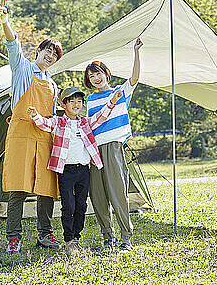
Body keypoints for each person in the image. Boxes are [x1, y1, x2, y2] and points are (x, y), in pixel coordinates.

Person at [0, 2, 63, 254]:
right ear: (39, 50)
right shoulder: (22, 69)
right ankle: (13, 237)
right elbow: (13, 45)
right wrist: (4, 21)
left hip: (44, 137)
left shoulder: (54, 85)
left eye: (55, 55)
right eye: (48, 51)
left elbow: (53, 116)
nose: (50, 56)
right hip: (21, 135)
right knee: (19, 187)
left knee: (46, 189)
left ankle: (45, 235)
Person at [27, 86, 122, 255]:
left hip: (84, 170)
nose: (77, 104)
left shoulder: (85, 122)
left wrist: (112, 102)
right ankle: (68, 239)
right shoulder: (58, 122)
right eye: (72, 102)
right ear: (64, 105)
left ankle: (76, 238)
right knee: (68, 205)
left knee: (81, 205)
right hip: (66, 171)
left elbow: (100, 117)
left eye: (79, 101)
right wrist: (35, 115)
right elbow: (45, 124)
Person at [84, 37, 143, 253]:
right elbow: (89, 126)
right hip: (93, 151)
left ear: (106, 74)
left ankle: (125, 239)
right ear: (89, 82)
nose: (96, 78)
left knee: (118, 194)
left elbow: (135, 77)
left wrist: (136, 52)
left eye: (98, 73)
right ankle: (108, 238)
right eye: (91, 76)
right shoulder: (89, 100)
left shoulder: (119, 91)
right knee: (98, 197)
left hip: (113, 148)